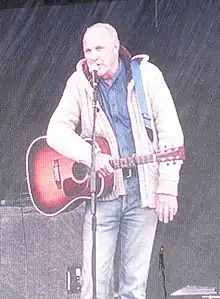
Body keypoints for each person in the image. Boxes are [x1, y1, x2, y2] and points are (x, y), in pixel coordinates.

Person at [46, 23, 184, 299]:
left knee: (133, 286)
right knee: (94, 286)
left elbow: (170, 131)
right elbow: (55, 131)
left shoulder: (147, 76)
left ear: (116, 46)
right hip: (103, 194)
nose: (92, 55)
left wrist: (167, 186)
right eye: (87, 50)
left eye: (99, 48)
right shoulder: (80, 83)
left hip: (142, 192)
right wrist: (90, 157)